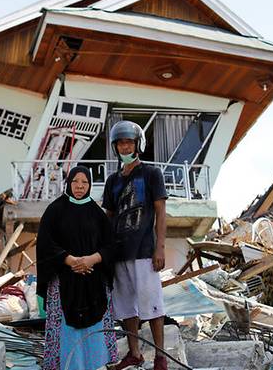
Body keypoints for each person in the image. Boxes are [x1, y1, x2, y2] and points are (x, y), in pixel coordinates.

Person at [36, 166, 118, 370]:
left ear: (90, 185)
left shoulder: (97, 214)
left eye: (84, 182)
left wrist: (92, 259)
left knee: (95, 325)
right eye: (75, 182)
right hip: (63, 280)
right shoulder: (55, 210)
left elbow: (111, 246)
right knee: (65, 326)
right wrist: (69, 260)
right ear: (69, 183)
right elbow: (46, 243)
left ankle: (96, 365)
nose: (80, 186)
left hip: (93, 281)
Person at [102, 121, 169, 370]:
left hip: (144, 250)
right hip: (119, 252)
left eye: (129, 142)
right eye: (120, 143)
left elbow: (161, 212)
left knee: (152, 305)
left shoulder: (152, 174)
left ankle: (160, 358)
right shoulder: (112, 181)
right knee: (126, 306)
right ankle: (134, 353)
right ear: (115, 147)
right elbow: (107, 216)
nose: (125, 146)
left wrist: (159, 247)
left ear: (138, 144)